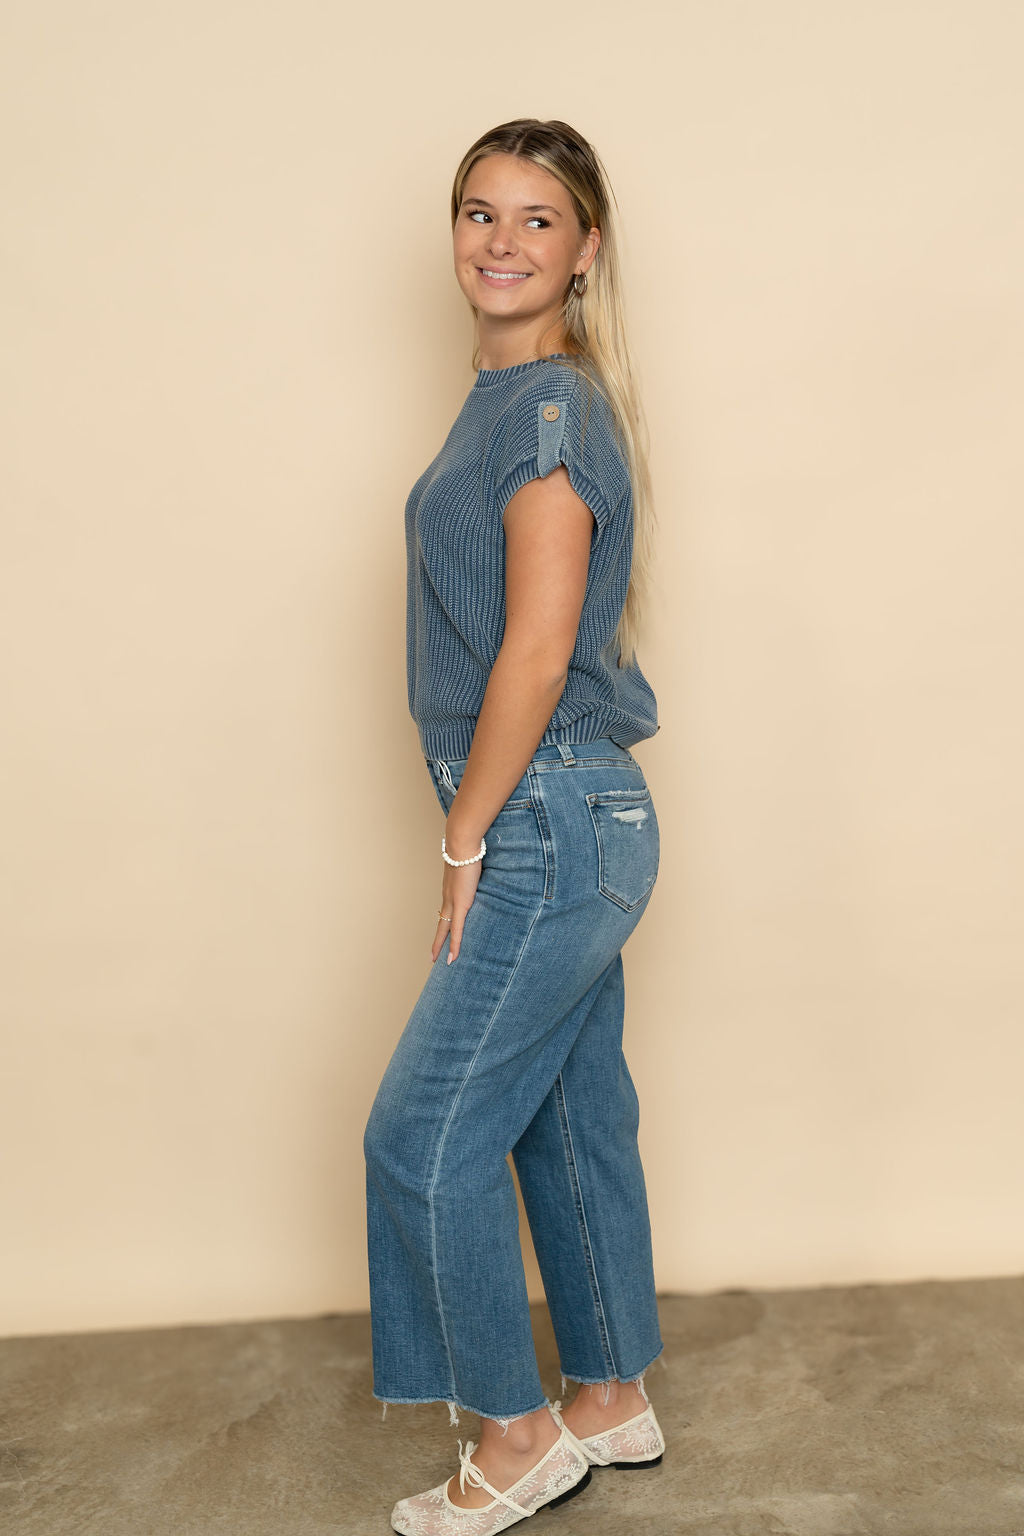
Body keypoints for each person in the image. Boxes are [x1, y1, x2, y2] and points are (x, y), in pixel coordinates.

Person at [363, 118, 666, 1534]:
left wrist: (464, 840)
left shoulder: (544, 411)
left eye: (537, 220)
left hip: (540, 810)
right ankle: (609, 1389)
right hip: (579, 806)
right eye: (480, 212)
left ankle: (515, 1430)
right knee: (562, 1112)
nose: (501, 241)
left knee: (421, 1135)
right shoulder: (515, 403)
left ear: (585, 249)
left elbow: (536, 653)